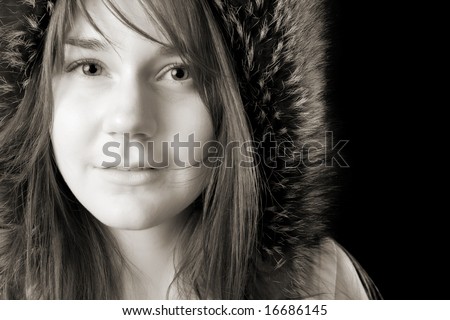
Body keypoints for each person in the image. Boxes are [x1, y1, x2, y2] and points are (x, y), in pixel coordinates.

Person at [0, 0, 380, 299]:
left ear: (243, 107)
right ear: (32, 97)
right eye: (90, 67)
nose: (129, 119)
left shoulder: (320, 284)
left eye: (179, 72)